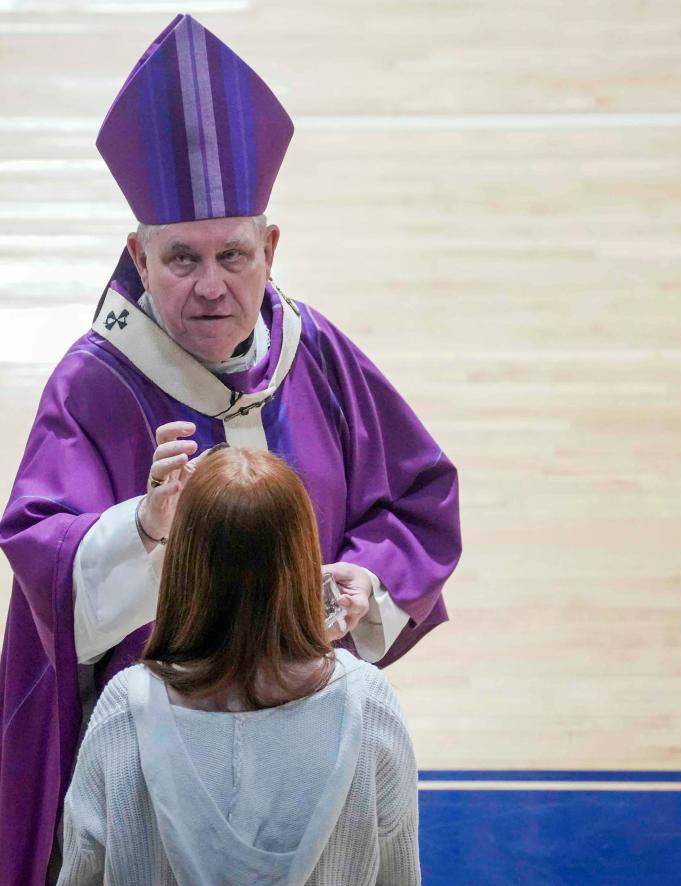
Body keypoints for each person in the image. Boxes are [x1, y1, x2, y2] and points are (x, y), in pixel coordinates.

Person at [0, 14, 459, 885]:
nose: (210, 285)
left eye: (233, 255)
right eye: (180, 259)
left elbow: (416, 499)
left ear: (270, 248)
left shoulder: (313, 354)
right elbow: (39, 553)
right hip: (158, 752)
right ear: (138, 255)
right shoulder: (98, 384)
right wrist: (140, 526)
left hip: (307, 726)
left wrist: (366, 579)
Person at [58, 447, 421, 885]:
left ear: (183, 566)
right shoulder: (368, 702)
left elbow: (82, 869)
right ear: (301, 562)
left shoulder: (125, 708)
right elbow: (399, 874)